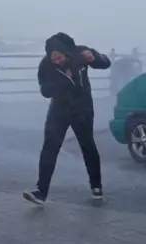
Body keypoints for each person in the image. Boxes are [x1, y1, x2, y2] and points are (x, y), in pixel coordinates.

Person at [23, 32, 112, 205]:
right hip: (59, 110)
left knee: (88, 146)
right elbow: (45, 91)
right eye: (53, 59)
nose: (55, 61)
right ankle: (41, 192)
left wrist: (94, 57)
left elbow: (105, 63)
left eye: (58, 58)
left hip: (82, 109)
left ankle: (96, 186)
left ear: (66, 52)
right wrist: (65, 81)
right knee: (50, 148)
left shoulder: (81, 53)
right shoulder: (46, 65)